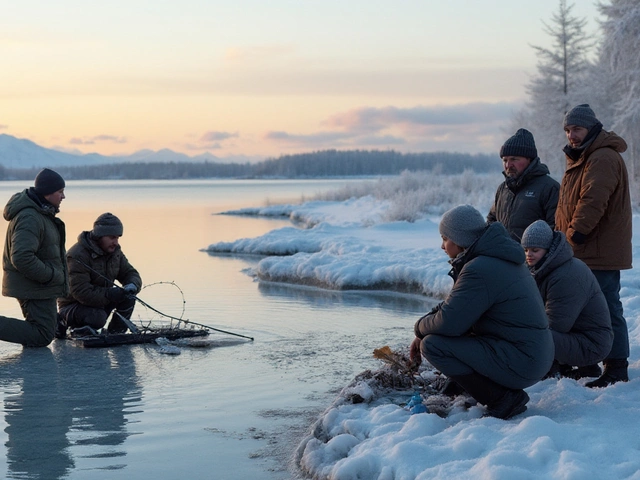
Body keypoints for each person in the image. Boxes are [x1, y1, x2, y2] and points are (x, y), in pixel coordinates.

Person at [409, 205, 554, 419]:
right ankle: (467, 385)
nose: (442, 246)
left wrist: (419, 329)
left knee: (433, 345)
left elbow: (449, 321)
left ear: (459, 240)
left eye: (445, 238)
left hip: (523, 360)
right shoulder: (490, 259)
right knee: (444, 332)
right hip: (530, 353)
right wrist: (423, 326)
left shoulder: (481, 268)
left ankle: (503, 399)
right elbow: (455, 305)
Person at [555, 104, 632, 388]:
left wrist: (573, 236)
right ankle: (588, 363)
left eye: (577, 129)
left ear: (592, 128)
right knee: (585, 310)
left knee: (607, 308)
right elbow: (566, 205)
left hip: (598, 250)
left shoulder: (601, 157)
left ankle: (616, 367)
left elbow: (592, 201)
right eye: (567, 130)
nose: (571, 135)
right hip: (583, 249)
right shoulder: (582, 157)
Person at [521, 220, 613, 380]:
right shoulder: (545, 267)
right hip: (577, 337)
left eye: (535, 250)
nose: (529, 254)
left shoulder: (565, 275)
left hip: (591, 345)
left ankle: (551, 369)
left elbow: (556, 324)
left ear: (548, 250)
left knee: (530, 335)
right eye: (526, 250)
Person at [0, 168, 68, 347]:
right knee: (42, 335)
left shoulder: (41, 213)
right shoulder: (30, 217)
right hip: (35, 285)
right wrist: (51, 276)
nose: (63, 196)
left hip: (38, 285)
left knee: (44, 331)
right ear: (48, 193)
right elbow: (22, 257)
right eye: (60, 192)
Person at [57, 212, 142, 336]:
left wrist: (132, 285)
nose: (116, 242)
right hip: (73, 306)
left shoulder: (114, 252)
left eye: (117, 237)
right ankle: (64, 324)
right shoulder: (77, 255)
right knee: (97, 317)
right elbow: (81, 292)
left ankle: (116, 333)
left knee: (128, 297)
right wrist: (110, 294)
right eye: (112, 237)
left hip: (100, 301)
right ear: (100, 236)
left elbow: (130, 272)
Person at [487, 128, 559, 241]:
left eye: (514, 159)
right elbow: (492, 220)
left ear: (529, 159)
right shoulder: (503, 189)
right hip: (503, 257)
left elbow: (556, 228)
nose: (508, 165)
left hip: (532, 257)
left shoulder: (549, 188)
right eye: (505, 160)